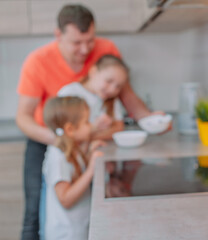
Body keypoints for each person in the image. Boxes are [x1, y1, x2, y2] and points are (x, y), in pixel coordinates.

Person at [16, 4, 151, 240]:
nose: (86, 49)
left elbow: (126, 95)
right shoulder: (37, 61)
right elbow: (23, 116)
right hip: (48, 139)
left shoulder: (106, 49)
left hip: (82, 141)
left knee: (86, 203)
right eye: (77, 43)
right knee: (35, 212)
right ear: (58, 35)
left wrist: (150, 119)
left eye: (90, 40)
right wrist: (62, 140)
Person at [42, 96, 102, 240]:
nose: (90, 125)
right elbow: (66, 200)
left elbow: (76, 174)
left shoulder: (72, 149)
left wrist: (89, 154)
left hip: (78, 228)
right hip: (67, 234)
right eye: (86, 122)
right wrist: (91, 170)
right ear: (70, 129)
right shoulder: (57, 157)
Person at [58, 54, 129, 140]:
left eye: (118, 86)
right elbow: (66, 134)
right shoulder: (70, 93)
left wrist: (87, 136)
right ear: (93, 72)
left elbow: (118, 128)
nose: (112, 89)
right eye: (109, 81)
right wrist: (94, 128)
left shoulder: (112, 99)